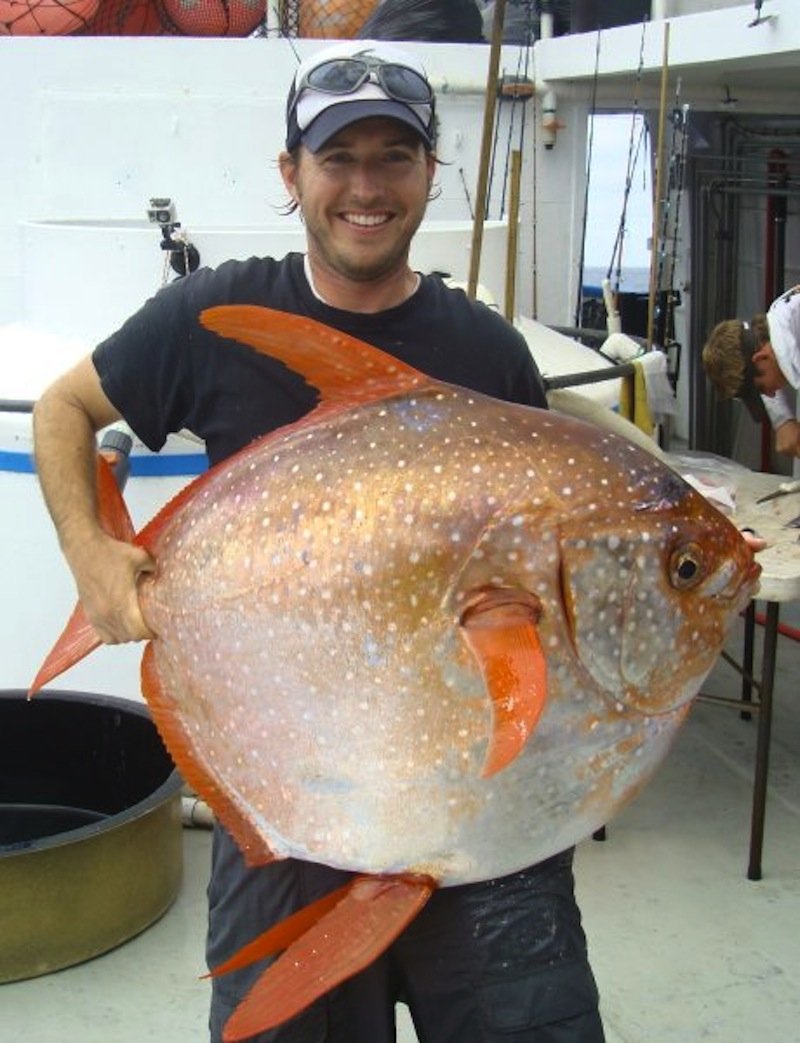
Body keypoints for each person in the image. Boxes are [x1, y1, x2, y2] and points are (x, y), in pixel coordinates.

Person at [32, 40, 606, 1043]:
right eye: (337, 158)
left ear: (432, 172)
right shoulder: (208, 317)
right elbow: (63, 408)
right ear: (289, 174)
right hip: (287, 788)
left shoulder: (487, 353)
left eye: (394, 157)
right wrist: (93, 555)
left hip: (466, 797)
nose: (365, 188)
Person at [702, 285, 800, 458]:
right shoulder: (781, 316)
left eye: (762, 388)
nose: (771, 395)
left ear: (761, 358)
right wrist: (783, 419)